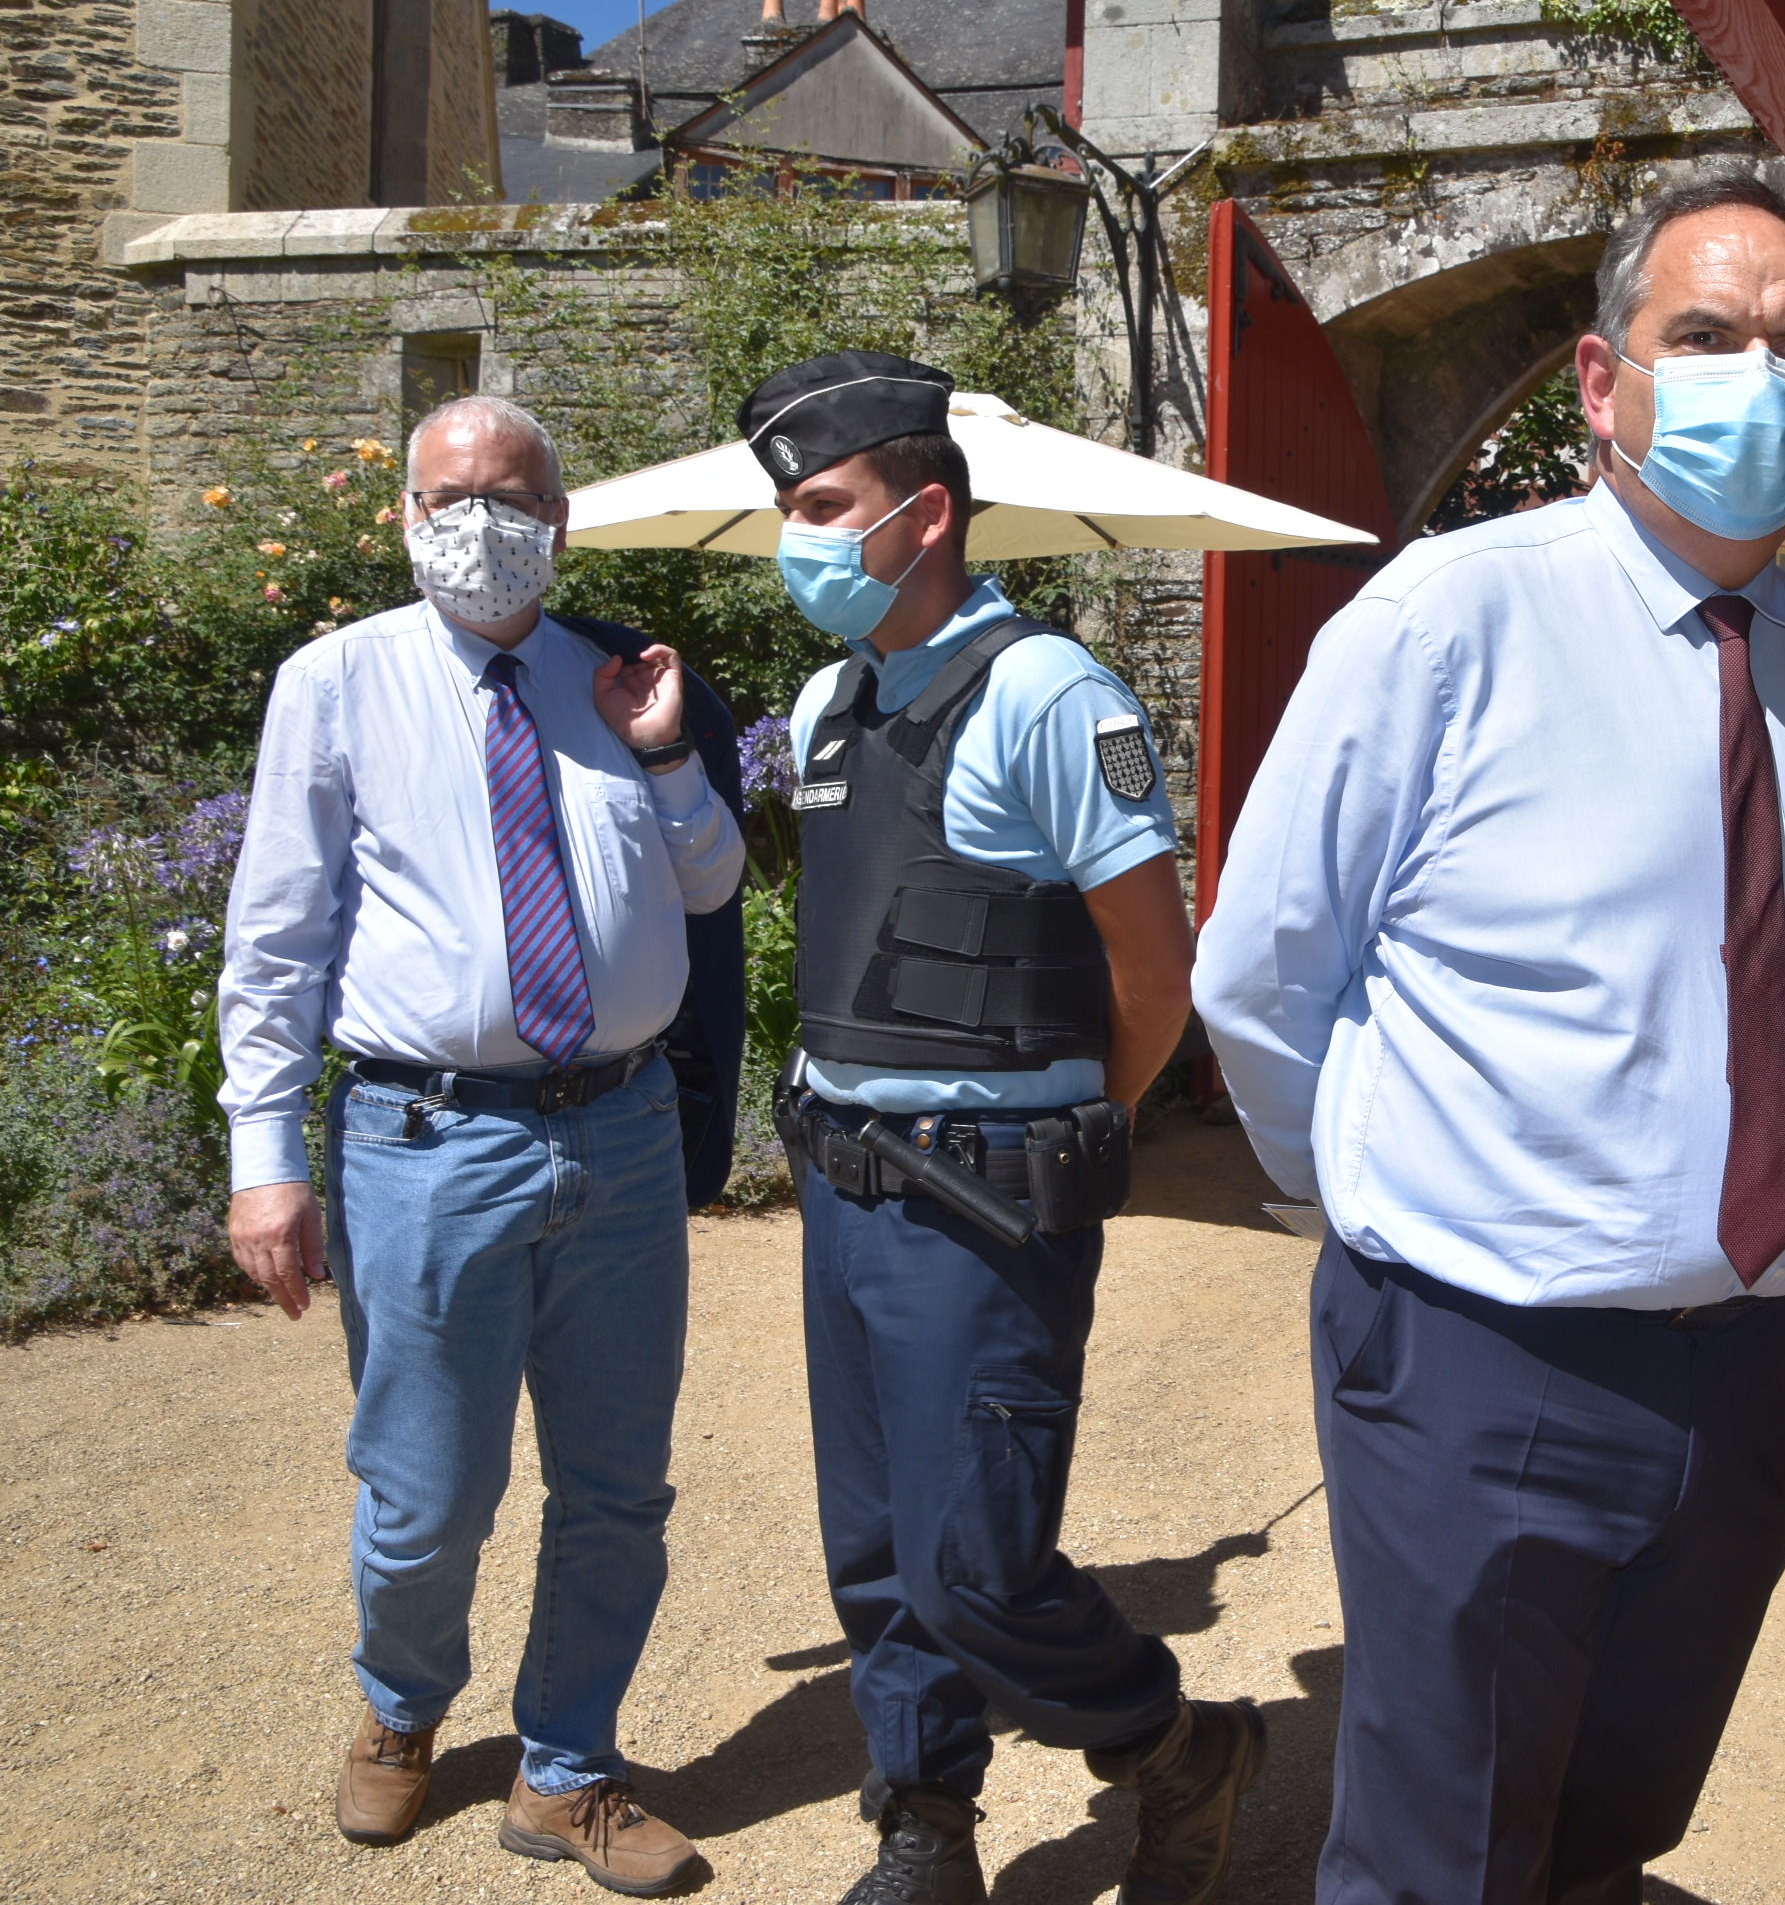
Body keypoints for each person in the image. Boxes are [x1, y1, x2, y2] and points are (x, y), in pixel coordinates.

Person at [1193, 175, 1785, 1905]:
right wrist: (1385, 1202)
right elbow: (1263, 971)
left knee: (1613, 1824)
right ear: (1601, 381)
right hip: (1483, 1361)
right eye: (1705, 336)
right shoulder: (1446, 619)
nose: (1760, 378)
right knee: (1443, 1855)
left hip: (1742, 1368)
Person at [750, 352, 1260, 1905]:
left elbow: (1155, 975)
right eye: (786, 510)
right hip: (844, 1188)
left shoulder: (1055, 697)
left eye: (822, 506)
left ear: (923, 515)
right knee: (878, 1554)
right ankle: (927, 1820)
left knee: (977, 1565)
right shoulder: (830, 702)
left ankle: (1176, 1749)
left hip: (983, 1204)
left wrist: (1073, 1129)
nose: (796, 537)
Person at [218, 394, 744, 1893]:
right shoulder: (337, 682)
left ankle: (565, 1767)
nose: (479, 522)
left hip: (622, 1132)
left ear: (559, 520)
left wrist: (665, 756)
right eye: (448, 497)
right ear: (402, 516)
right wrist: (266, 1159)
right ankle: (401, 1705)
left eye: (510, 497)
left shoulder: (619, 680)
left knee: (618, 1485)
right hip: (424, 1140)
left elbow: (711, 887)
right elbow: (275, 938)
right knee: (427, 1488)